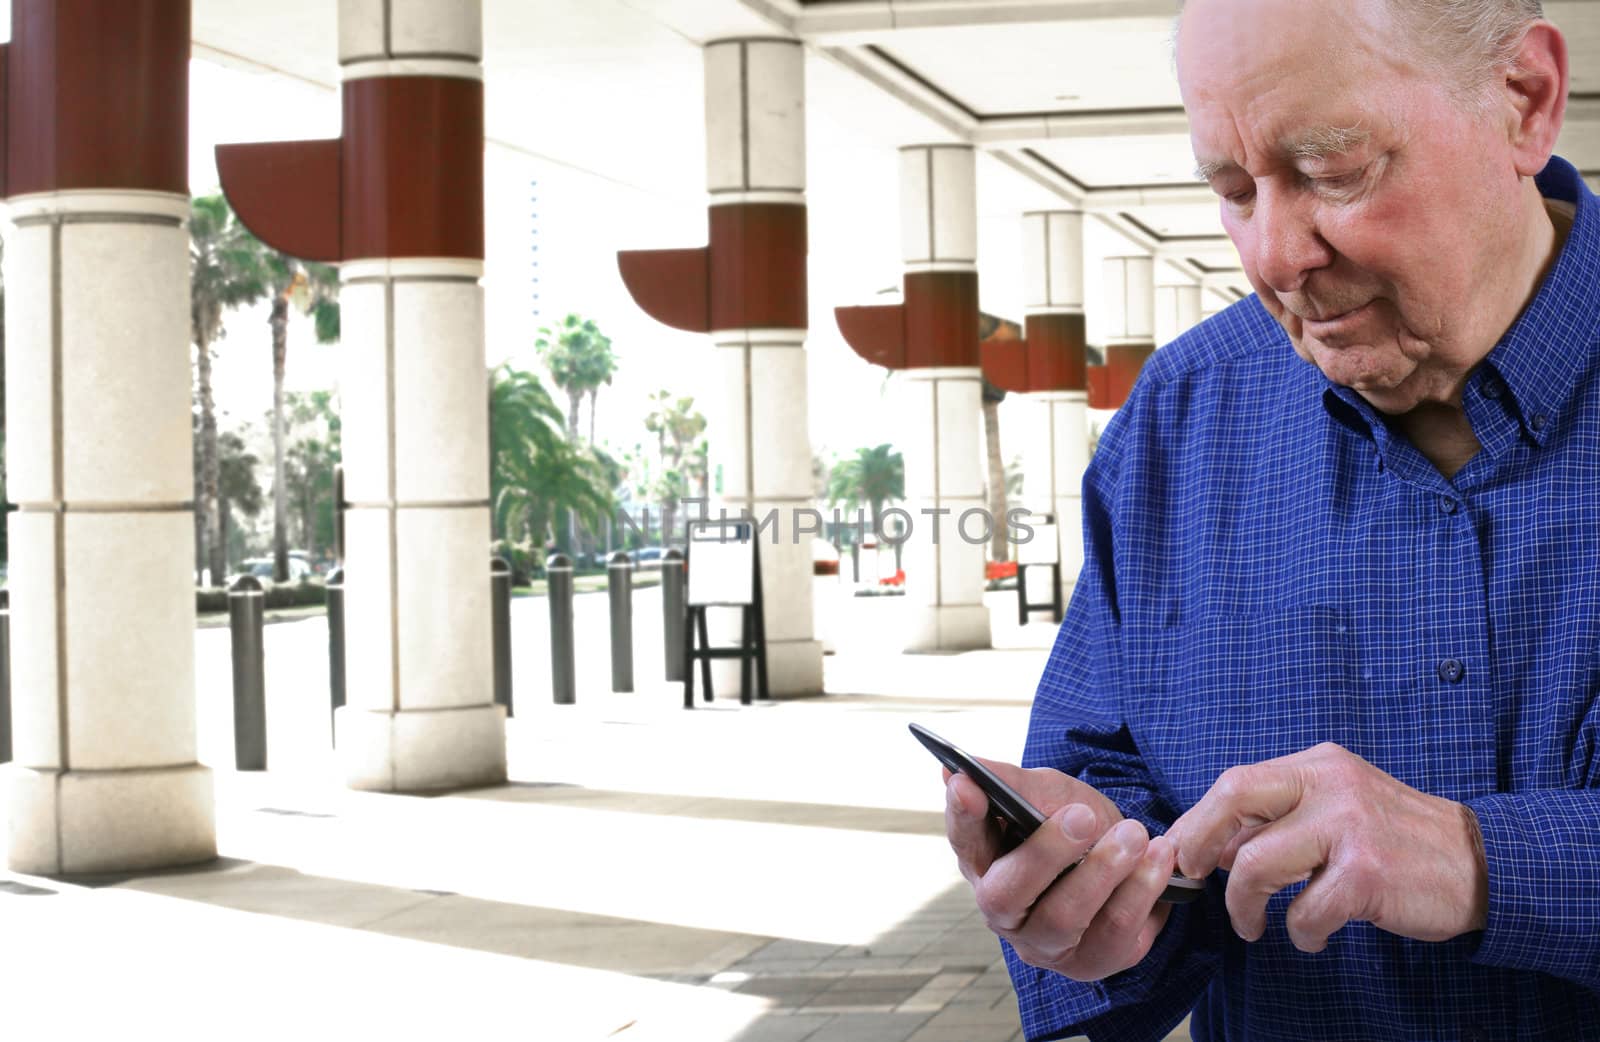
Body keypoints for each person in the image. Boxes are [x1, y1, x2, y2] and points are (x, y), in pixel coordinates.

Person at [942, 1, 1600, 1038]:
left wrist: (1478, 860)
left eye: (1334, 170)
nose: (1274, 255)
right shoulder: (1175, 418)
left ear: (1523, 101)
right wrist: (1095, 904)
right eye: (1233, 190)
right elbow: (1109, 778)